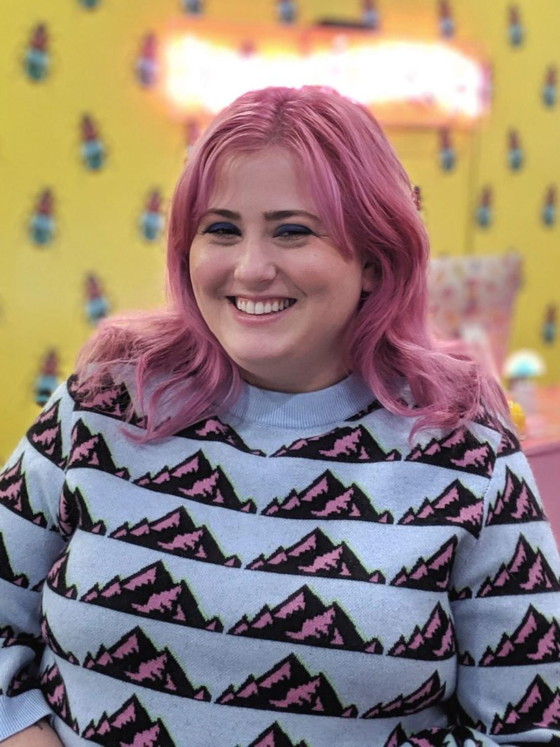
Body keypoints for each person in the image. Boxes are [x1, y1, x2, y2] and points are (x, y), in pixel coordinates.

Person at [1, 86, 559, 747]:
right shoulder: (101, 406)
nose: (251, 268)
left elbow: (533, 729)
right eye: (222, 229)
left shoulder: (467, 454)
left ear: (375, 259)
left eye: (292, 230)